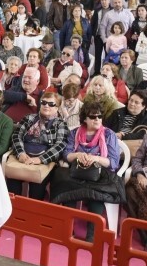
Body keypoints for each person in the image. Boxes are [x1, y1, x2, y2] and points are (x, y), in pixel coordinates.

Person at [49, 102, 124, 240]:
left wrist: (95, 158)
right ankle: (68, 230)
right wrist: (78, 155)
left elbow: (113, 162)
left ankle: (91, 236)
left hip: (100, 174)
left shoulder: (109, 134)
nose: (97, 119)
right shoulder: (75, 133)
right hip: (78, 171)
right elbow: (67, 155)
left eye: (99, 116)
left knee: (97, 195)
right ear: (85, 119)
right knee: (67, 189)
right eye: (93, 117)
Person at [8, 91, 69, 199]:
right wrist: (20, 153)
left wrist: (40, 159)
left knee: (37, 188)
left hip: (44, 161)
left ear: (57, 108)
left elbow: (60, 146)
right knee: (12, 183)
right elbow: (16, 136)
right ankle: (14, 208)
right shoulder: (29, 118)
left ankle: (33, 207)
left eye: (51, 104)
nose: (46, 106)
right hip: (22, 157)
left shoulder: (60, 124)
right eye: (43, 102)